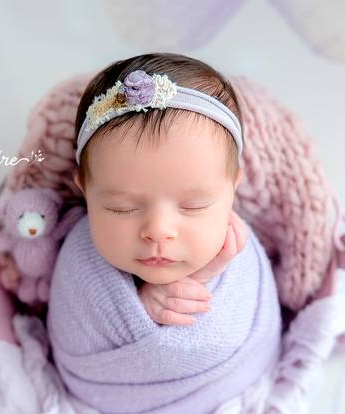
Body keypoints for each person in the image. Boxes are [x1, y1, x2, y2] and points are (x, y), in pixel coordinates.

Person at [72, 52, 250, 326]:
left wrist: (203, 277)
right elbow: (74, 334)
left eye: (194, 206)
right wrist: (139, 309)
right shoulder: (78, 265)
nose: (158, 231)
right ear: (85, 192)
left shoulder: (245, 266)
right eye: (122, 208)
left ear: (233, 190)